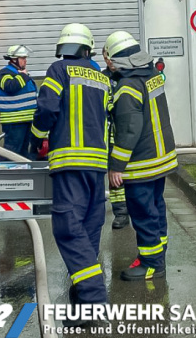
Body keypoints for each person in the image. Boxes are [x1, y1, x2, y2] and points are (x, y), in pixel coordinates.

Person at [31, 23, 110, 316]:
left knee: (67, 227)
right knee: (89, 228)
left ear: (63, 48)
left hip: (69, 161)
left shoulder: (59, 70)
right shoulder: (102, 77)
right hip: (97, 164)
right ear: (87, 49)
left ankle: (93, 297)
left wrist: (37, 136)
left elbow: (47, 109)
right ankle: (82, 294)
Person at [102, 31, 177, 281]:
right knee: (156, 207)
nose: (109, 64)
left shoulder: (128, 87)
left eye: (110, 59)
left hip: (141, 163)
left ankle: (152, 264)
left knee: (143, 213)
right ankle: (159, 253)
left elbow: (128, 130)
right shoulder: (152, 75)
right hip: (160, 158)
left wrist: (116, 166)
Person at [101, 46, 130, 230]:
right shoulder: (101, 77)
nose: (109, 61)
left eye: (112, 57)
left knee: (132, 174)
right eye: (106, 58)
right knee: (115, 178)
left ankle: (135, 208)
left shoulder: (128, 76)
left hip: (129, 135)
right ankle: (121, 213)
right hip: (111, 137)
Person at [0, 45, 37, 160]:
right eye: (22, 58)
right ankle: (3, 170)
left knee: (22, 154)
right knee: (11, 152)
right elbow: (10, 87)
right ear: (14, 59)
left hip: (26, 120)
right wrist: (23, 76)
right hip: (14, 121)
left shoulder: (20, 74)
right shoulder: (4, 73)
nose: (25, 60)